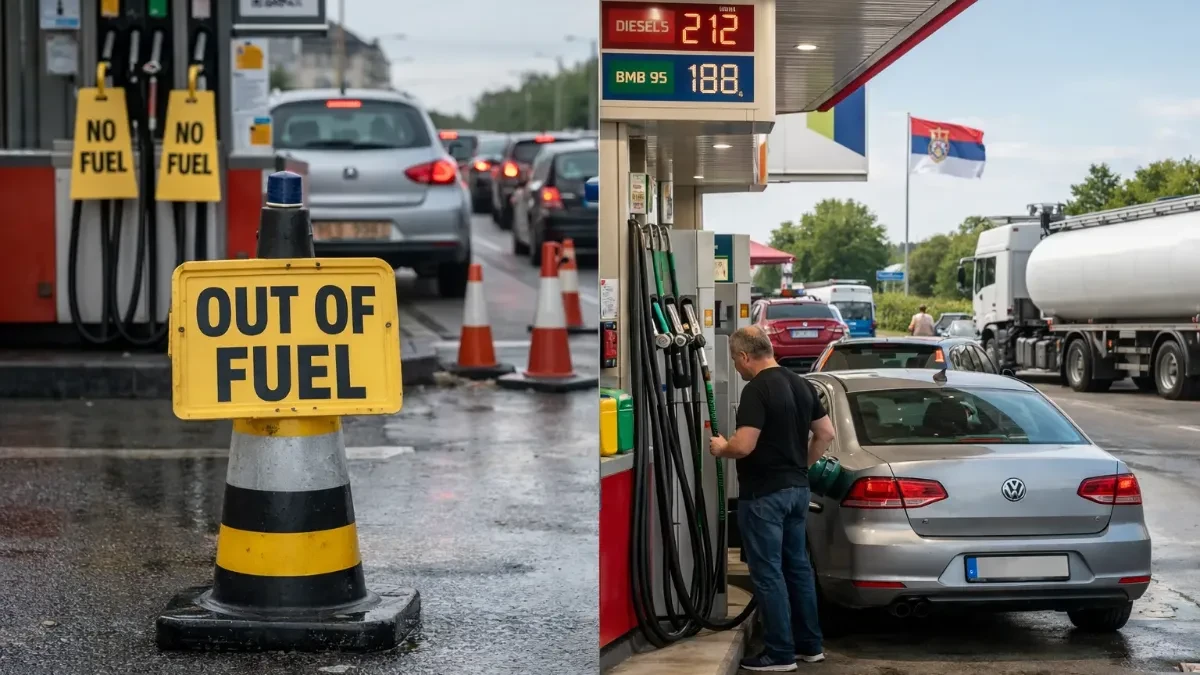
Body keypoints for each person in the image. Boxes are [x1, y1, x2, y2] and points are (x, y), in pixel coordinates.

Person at [709, 326, 837, 672]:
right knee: (797, 568)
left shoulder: (756, 390)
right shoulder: (802, 384)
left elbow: (744, 445)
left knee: (768, 574)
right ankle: (810, 646)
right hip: (797, 491)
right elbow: (825, 433)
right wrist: (800, 466)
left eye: (736, 362)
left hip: (764, 494)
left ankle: (779, 654)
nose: (737, 369)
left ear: (744, 356)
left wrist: (722, 448)